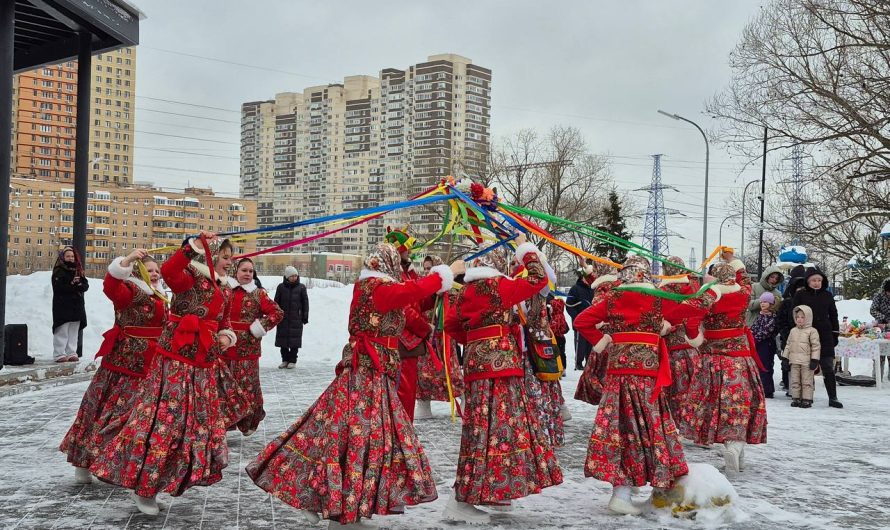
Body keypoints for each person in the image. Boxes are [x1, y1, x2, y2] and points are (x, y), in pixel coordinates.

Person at [247, 243, 457, 529]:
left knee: (355, 439)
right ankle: (332, 506)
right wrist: (443, 275)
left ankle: (342, 508)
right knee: (354, 438)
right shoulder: (376, 288)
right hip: (365, 375)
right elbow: (409, 292)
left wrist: (435, 302)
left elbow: (409, 303)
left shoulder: (377, 289)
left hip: (374, 373)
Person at [90, 232, 237, 515]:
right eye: (225, 257)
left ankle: (164, 480)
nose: (230, 262)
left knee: (192, 428)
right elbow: (170, 270)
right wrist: (193, 246)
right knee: (164, 424)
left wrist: (226, 336)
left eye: (232, 258)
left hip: (203, 365)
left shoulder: (225, 288)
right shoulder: (191, 276)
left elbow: (225, 321)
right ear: (210, 256)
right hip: (176, 362)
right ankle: (143, 486)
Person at [443, 235, 563, 524]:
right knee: (502, 428)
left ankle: (493, 489)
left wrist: (475, 342)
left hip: (476, 366)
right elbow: (538, 279)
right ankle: (467, 498)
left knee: (481, 429)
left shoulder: (465, 291)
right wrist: (525, 248)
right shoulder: (500, 286)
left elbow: (449, 324)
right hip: (501, 368)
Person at [574, 256, 688, 516]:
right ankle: (661, 488)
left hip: (618, 377)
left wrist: (603, 339)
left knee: (621, 431)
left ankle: (622, 494)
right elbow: (692, 310)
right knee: (652, 429)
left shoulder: (612, 298)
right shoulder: (658, 299)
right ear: (646, 275)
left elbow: (581, 321)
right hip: (646, 377)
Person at [60, 249, 167, 484]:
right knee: (103, 411)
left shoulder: (161, 296)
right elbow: (110, 286)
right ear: (137, 273)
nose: (155, 274)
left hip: (151, 363)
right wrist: (126, 261)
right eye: (149, 270)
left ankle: (121, 464)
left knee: (138, 417)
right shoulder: (129, 291)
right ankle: (84, 461)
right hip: (123, 364)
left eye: (157, 270)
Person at [671, 260, 768, 474]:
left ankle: (733, 447)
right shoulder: (744, 292)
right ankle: (736, 448)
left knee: (715, 403)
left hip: (713, 359)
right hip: (740, 359)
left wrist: (695, 337)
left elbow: (690, 316)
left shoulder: (711, 296)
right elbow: (745, 279)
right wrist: (733, 261)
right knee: (741, 403)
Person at [222, 258, 284, 435]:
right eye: (244, 270)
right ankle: (224, 423)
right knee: (224, 387)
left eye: (251, 271)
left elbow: (277, 312)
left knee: (247, 387)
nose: (248, 274)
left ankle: (248, 422)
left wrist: (258, 328)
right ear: (235, 271)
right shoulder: (225, 290)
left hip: (248, 349)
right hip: (224, 347)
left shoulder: (258, 294)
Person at [385, 228, 436, 422]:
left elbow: (419, 301)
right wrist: (425, 327)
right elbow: (404, 310)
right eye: (407, 248)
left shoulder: (409, 274)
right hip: (400, 343)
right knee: (401, 392)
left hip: (410, 344)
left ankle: (405, 430)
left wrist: (435, 294)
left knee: (408, 392)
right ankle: (400, 432)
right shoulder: (393, 276)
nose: (410, 252)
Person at [415, 255, 465, 421]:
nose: (426, 271)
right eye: (425, 268)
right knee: (423, 373)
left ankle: (463, 397)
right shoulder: (423, 286)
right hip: (426, 336)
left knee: (449, 371)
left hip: (443, 338)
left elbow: (454, 310)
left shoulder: (449, 289)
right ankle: (424, 404)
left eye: (429, 268)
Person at [657, 256, 700, 435]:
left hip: (670, 349)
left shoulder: (661, 292)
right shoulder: (693, 289)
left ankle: (675, 425)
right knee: (694, 389)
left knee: (674, 390)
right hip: (692, 347)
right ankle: (695, 426)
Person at [789, 267, 843, 408]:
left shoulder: (827, 295)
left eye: (819, 280)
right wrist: (795, 331)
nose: (817, 283)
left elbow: (833, 314)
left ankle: (833, 397)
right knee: (806, 367)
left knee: (827, 366)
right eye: (813, 280)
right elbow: (794, 314)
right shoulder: (800, 295)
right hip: (805, 335)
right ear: (807, 281)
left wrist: (835, 333)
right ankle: (805, 397)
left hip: (825, 335)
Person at [573, 264, 620, 406]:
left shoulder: (603, 288)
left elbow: (598, 310)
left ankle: (607, 400)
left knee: (596, 374)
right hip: (620, 336)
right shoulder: (620, 285)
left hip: (605, 337)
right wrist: (585, 267)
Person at [51, 246, 89, 362]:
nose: (71, 258)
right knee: (62, 330)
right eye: (68, 256)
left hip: (76, 305)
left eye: (72, 256)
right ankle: (59, 354)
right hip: (63, 305)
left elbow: (85, 285)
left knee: (74, 330)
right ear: (63, 257)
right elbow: (59, 287)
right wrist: (74, 286)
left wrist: (78, 285)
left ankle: (71, 353)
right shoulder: (59, 270)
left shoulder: (78, 270)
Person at [781, 305, 821, 408]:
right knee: (795, 380)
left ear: (808, 318)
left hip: (806, 362)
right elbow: (788, 345)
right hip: (794, 360)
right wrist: (785, 358)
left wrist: (814, 359)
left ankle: (807, 399)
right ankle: (796, 398)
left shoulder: (812, 331)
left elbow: (816, 346)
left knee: (806, 381)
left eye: (802, 317)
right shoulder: (793, 331)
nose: (799, 319)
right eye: (797, 317)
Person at [777, 265, 806, 393]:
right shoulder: (788, 301)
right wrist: (786, 333)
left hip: (803, 336)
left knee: (800, 361)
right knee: (788, 360)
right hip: (789, 335)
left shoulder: (807, 301)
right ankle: (789, 384)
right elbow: (781, 320)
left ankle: (800, 385)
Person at [274, 265, 308, 369]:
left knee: (294, 341)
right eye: (292, 276)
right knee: (282, 341)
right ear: (287, 277)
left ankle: (293, 360)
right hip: (283, 319)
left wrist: (304, 316)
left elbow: (305, 303)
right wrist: (275, 315)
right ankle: (285, 360)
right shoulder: (281, 287)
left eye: (295, 276)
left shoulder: (301, 287)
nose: (294, 278)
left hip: (296, 319)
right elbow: (276, 303)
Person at [566, 264, 595, 369]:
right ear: (582, 277)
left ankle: (588, 363)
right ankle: (578, 362)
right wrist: (576, 317)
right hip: (580, 322)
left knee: (590, 343)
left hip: (591, 321)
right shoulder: (575, 288)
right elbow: (569, 305)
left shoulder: (592, 289)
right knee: (580, 344)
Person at [751, 291, 779, 398]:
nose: (762, 304)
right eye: (762, 302)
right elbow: (754, 327)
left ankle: (767, 389)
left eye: (765, 302)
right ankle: (759, 387)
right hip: (757, 344)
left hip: (767, 344)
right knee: (758, 365)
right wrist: (751, 335)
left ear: (771, 304)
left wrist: (756, 338)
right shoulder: (760, 316)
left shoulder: (772, 317)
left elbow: (767, 330)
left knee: (766, 366)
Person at [869, 278, 890, 380]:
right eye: (889, 292)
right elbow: (873, 310)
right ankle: (877, 377)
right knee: (879, 352)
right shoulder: (879, 296)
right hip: (880, 326)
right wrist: (883, 318)